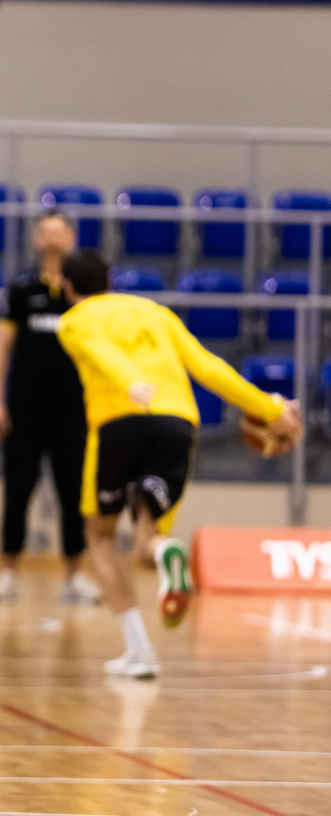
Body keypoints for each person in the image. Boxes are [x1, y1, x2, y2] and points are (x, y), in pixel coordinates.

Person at [56, 251, 304, 678]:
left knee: (99, 535)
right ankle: (162, 551)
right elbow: (209, 368)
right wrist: (269, 408)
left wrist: (131, 383)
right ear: (110, 280)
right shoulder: (156, 313)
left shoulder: (73, 321)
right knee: (147, 538)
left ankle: (139, 649)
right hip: (176, 423)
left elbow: (100, 352)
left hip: (117, 422)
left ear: (67, 287)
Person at [0, 211, 102, 605]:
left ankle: (74, 576)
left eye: (59, 230)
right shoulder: (21, 288)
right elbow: (2, 346)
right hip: (25, 409)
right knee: (17, 489)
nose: (51, 237)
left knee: (74, 493)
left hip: (74, 411)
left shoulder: (83, 291)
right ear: (36, 238)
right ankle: (8, 573)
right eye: (44, 230)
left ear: (71, 238)